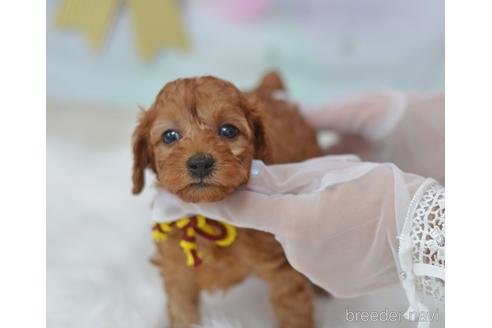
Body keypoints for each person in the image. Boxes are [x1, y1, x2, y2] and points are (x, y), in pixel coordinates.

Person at [152, 90, 445, 328]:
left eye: (228, 130)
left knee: (294, 265)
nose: (199, 157)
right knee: (177, 276)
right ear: (144, 158)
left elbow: (287, 281)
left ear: (261, 147)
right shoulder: (169, 227)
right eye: (170, 137)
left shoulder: (261, 217)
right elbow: (177, 281)